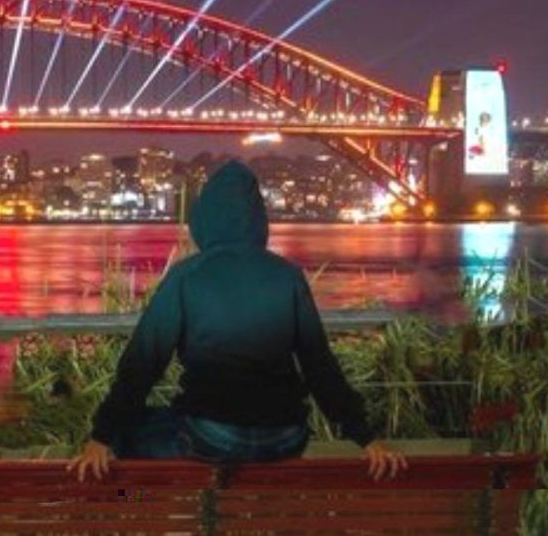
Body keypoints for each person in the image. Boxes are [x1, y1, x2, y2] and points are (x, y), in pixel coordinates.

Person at [69, 161, 407, 482]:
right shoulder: (287, 277)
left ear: (204, 217)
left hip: (212, 437)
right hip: (285, 437)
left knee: (132, 431)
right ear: (258, 219)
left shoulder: (187, 277)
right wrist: (366, 438)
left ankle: (172, 514)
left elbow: (143, 362)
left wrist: (102, 436)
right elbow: (319, 366)